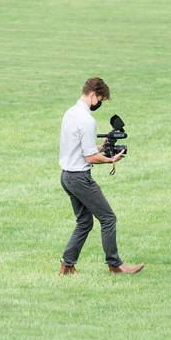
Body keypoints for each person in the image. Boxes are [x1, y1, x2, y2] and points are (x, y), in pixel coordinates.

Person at [58, 78, 144, 275]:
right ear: (92, 95)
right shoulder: (87, 120)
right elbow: (90, 157)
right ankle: (115, 265)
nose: (99, 104)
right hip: (80, 178)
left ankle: (67, 266)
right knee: (108, 218)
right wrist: (111, 159)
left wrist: (102, 147)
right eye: (100, 100)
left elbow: (80, 148)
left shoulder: (70, 113)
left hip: (67, 176)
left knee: (84, 222)